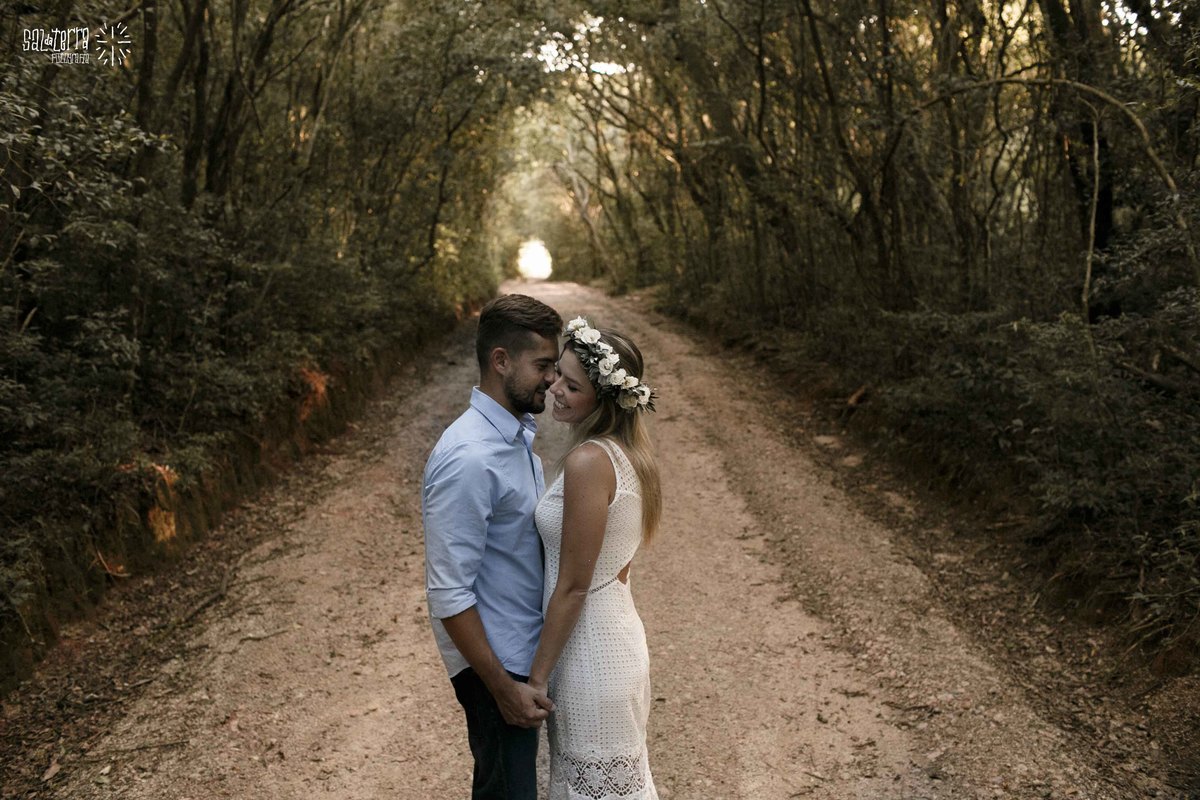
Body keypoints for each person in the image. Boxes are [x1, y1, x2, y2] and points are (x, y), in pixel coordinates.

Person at [422, 293, 562, 800]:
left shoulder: (511, 436)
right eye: (543, 365)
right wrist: (501, 688)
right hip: (496, 667)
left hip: (518, 654)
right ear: (501, 361)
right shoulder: (469, 457)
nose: (552, 377)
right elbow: (448, 593)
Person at [529, 316, 662, 800]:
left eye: (572, 385)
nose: (555, 389)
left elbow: (574, 585)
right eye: (557, 375)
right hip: (613, 641)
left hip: (591, 656)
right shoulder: (629, 455)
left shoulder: (590, 462)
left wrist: (536, 676)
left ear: (605, 399)